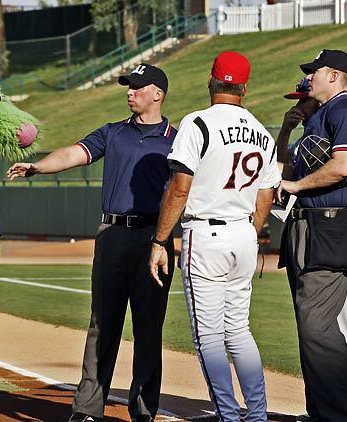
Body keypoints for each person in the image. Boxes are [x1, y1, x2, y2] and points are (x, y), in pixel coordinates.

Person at [7, 63, 177, 422]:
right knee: (103, 323)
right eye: (129, 86)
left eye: (138, 87)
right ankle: (87, 409)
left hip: (154, 239)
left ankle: (144, 411)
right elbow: (73, 153)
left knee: (149, 327)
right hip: (112, 236)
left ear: (157, 94)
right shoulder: (112, 132)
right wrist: (38, 166)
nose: (130, 92)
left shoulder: (177, 139)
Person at [149, 51, 281, 422]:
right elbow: (266, 195)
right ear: (244, 87)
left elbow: (178, 188)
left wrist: (159, 241)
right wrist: (250, 234)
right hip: (243, 232)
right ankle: (256, 415)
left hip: (205, 233)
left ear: (211, 80)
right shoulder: (261, 131)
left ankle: (227, 415)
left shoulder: (198, 123)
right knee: (239, 331)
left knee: (208, 337)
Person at [278, 49, 347, 421]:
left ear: (333, 76)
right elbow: (284, 168)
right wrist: (285, 130)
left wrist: (297, 185)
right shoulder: (320, 117)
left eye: (314, 72)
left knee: (319, 326)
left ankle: (345, 416)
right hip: (307, 224)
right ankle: (320, 411)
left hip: (329, 225)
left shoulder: (346, 110)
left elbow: (344, 166)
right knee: (308, 325)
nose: (308, 77)